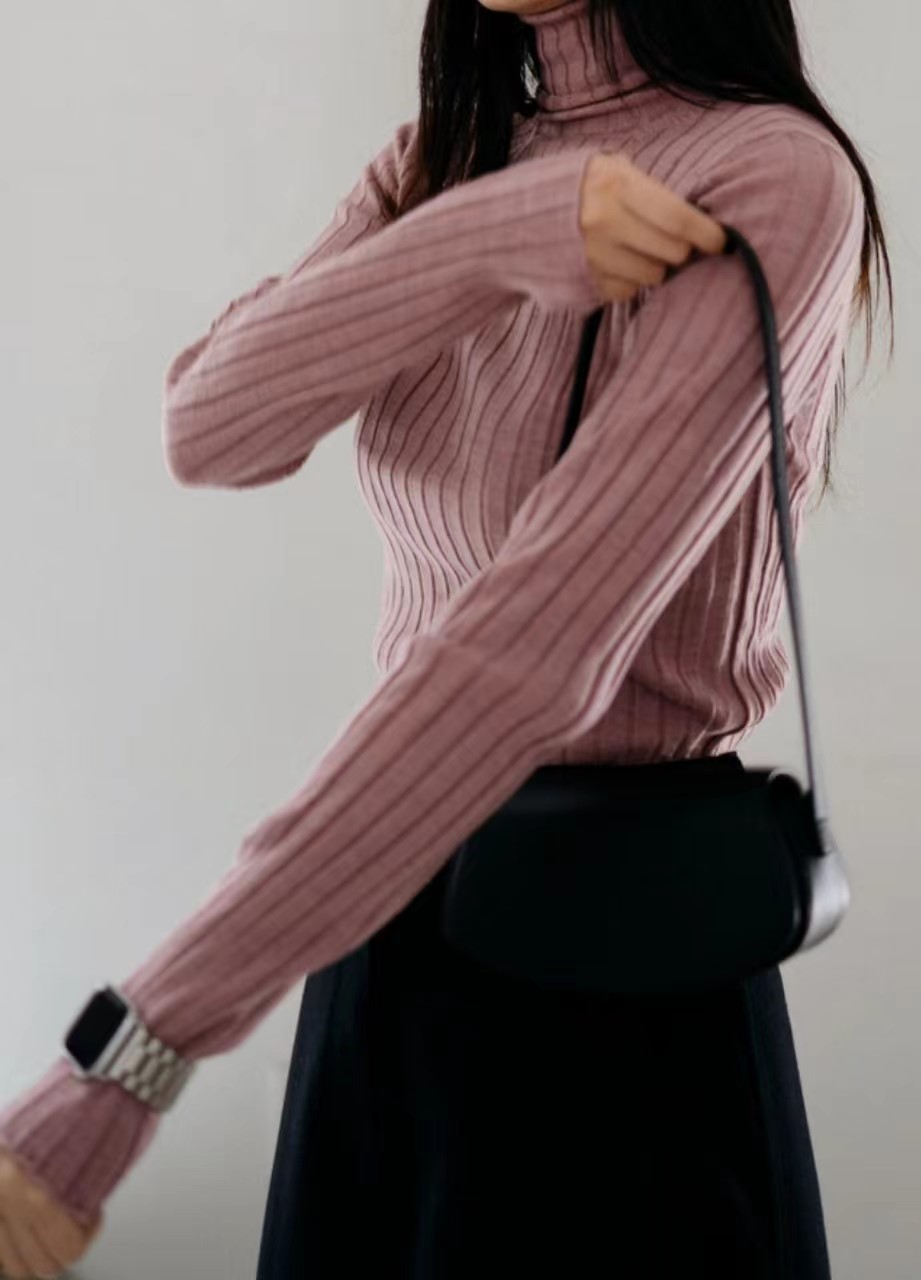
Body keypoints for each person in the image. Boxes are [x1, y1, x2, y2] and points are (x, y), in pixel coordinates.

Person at [0, 0, 894, 1276]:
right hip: (379, 916)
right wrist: (489, 234)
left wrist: (129, 1059)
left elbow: (531, 656)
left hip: (620, 971)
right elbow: (213, 426)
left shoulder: (770, 174)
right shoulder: (442, 158)